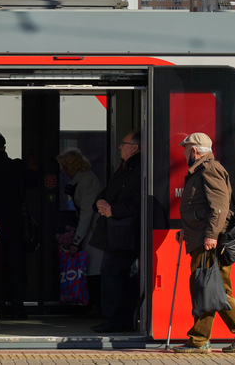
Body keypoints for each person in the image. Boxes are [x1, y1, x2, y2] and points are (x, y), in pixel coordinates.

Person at [174, 133, 235, 354]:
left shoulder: (209, 169)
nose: (183, 154)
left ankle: (200, 339)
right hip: (204, 237)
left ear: (194, 151)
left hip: (210, 241)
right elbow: (201, 207)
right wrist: (187, 229)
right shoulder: (201, 170)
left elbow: (219, 206)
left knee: (205, 286)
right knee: (216, 288)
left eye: (185, 150)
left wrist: (211, 235)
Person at [89, 130, 142, 334]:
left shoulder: (138, 169)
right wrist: (100, 202)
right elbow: (109, 190)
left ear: (135, 147)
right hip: (116, 233)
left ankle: (114, 321)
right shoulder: (126, 167)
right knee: (116, 276)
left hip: (125, 234)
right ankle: (118, 320)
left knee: (113, 275)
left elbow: (138, 203)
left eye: (124, 143)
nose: (120, 147)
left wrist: (113, 210)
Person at [57, 147, 103, 314]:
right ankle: (93, 305)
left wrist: (76, 241)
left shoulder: (85, 181)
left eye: (64, 166)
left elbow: (86, 213)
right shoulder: (83, 179)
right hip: (92, 228)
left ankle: (95, 306)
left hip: (94, 229)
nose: (62, 170)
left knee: (93, 268)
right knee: (92, 267)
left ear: (71, 167)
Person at [0, 131, 31, 319]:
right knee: (17, 269)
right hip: (15, 227)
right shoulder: (16, 166)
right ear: (4, 147)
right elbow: (35, 182)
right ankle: (18, 308)